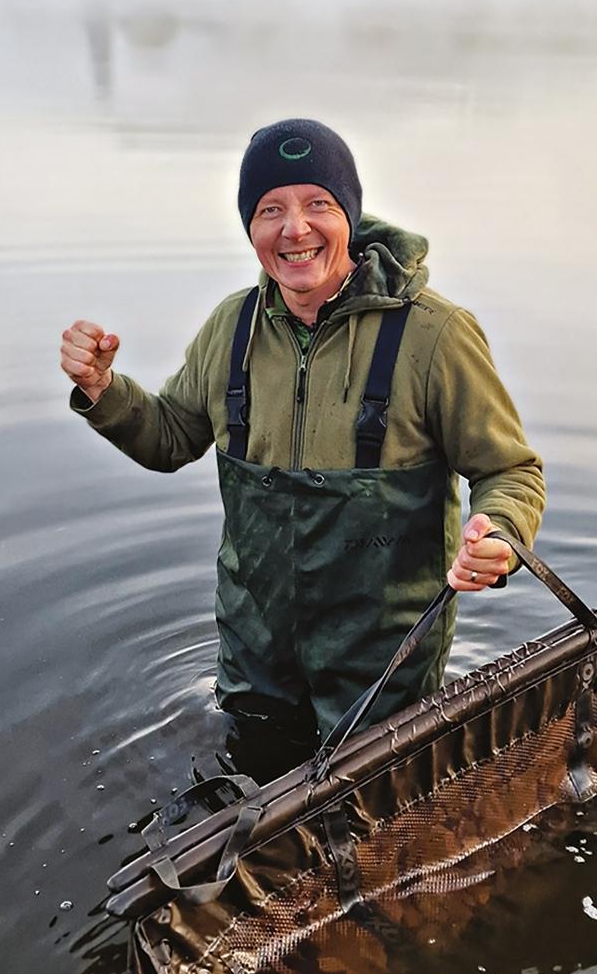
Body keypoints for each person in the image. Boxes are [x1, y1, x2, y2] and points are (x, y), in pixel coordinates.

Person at [61, 118, 544, 770]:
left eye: (318, 203)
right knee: (253, 791)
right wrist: (104, 389)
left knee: (375, 809)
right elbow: (170, 438)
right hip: (254, 657)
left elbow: (510, 470)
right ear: (250, 227)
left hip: (384, 667)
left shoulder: (436, 334)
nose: (295, 229)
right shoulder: (231, 328)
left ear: (348, 214)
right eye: (270, 210)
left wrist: (498, 537)